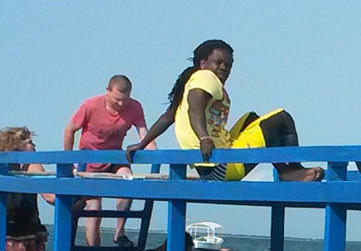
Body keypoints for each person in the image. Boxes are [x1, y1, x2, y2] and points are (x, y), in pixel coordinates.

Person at [126, 40, 323, 182]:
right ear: (203, 63)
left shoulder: (191, 81)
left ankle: (284, 170)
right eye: (218, 62)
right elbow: (195, 108)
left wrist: (142, 144)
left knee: (251, 119)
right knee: (281, 118)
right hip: (221, 165)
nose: (224, 68)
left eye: (228, 65)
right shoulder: (205, 77)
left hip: (208, 166)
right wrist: (204, 138)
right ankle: (294, 170)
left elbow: (168, 117)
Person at [64, 75, 155, 251]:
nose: (121, 104)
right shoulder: (91, 105)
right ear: (107, 91)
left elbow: (144, 133)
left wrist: (153, 151)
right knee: (94, 210)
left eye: (125, 99)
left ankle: (119, 232)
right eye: (117, 99)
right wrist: (69, 159)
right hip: (89, 159)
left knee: (128, 181)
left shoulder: (135, 107)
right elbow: (69, 129)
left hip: (114, 156)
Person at [1, 127, 58, 251]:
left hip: (6, 228)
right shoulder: (33, 165)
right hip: (29, 227)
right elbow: (50, 196)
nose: (35, 146)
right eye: (31, 142)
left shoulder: (5, 166)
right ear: (22, 145)